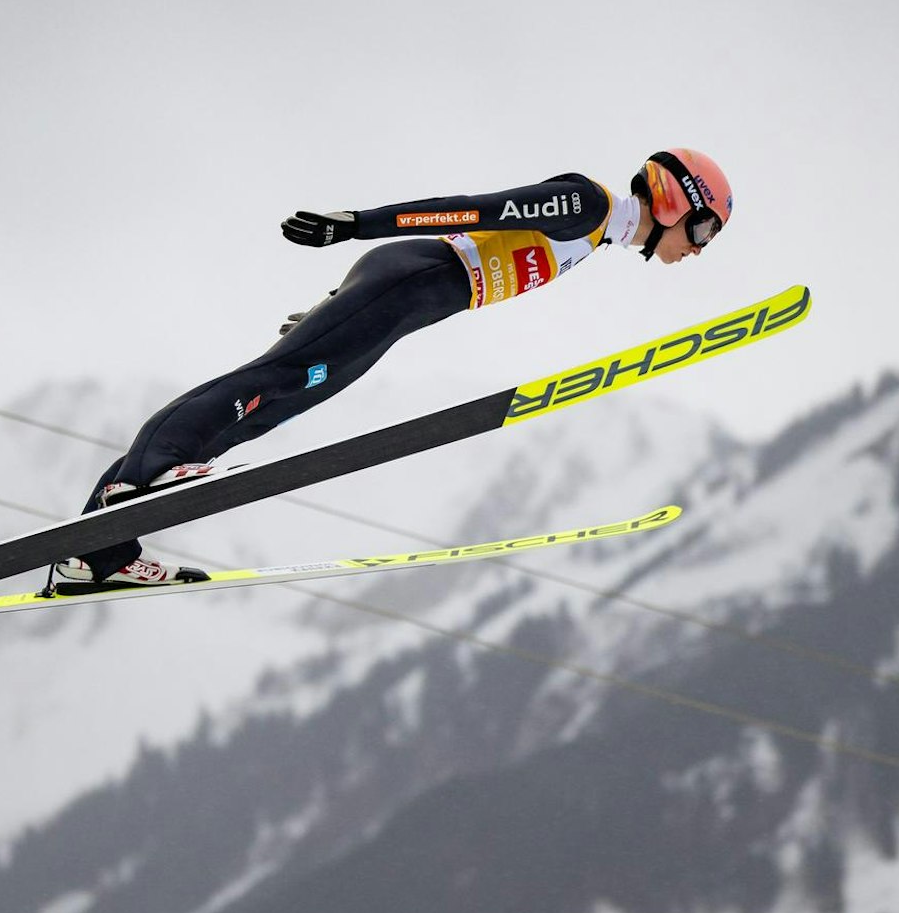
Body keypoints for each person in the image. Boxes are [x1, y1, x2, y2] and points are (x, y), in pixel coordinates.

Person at [48, 148, 734, 593]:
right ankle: (144, 477)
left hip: (406, 300)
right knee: (276, 381)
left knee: (277, 401)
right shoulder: (589, 205)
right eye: (702, 231)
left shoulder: (601, 235)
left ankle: (94, 551)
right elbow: (473, 208)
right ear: (677, 200)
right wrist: (356, 225)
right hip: (405, 282)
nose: (698, 250)